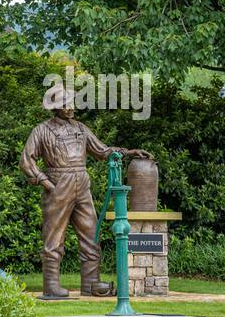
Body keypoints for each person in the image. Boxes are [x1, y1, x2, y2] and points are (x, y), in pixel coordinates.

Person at [20, 85, 152, 299]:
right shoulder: (41, 130)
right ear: (54, 107)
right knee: (54, 236)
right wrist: (47, 183)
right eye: (65, 104)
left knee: (91, 233)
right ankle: (51, 286)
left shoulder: (81, 128)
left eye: (72, 103)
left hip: (82, 183)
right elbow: (26, 161)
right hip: (58, 182)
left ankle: (91, 284)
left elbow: (102, 151)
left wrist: (127, 152)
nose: (70, 107)